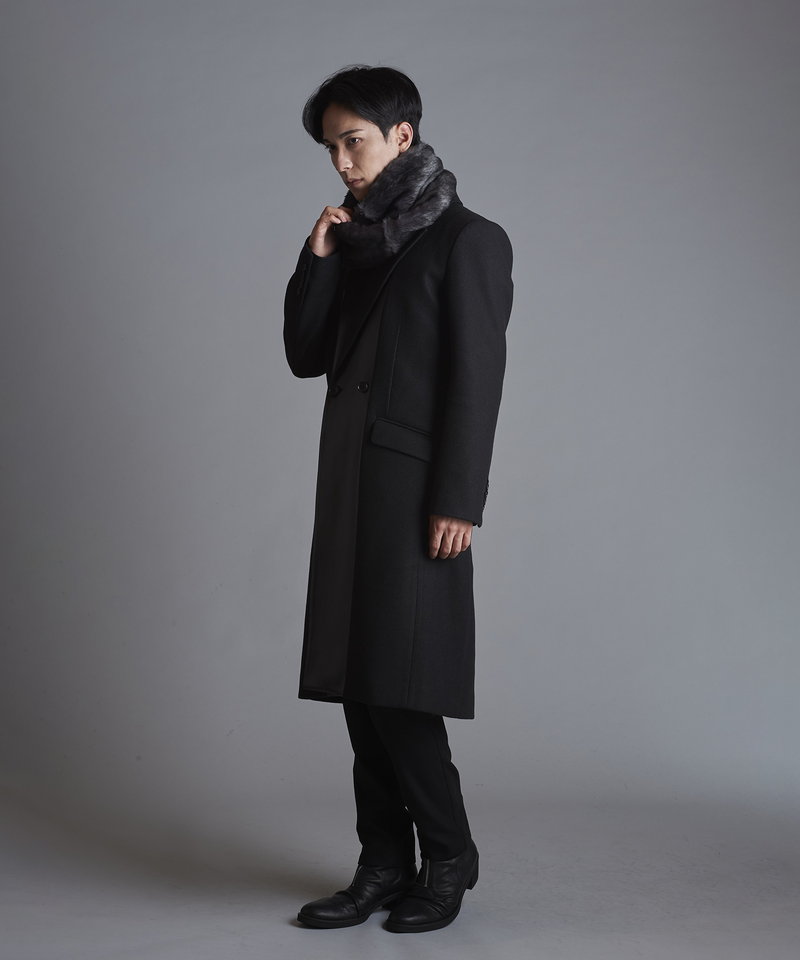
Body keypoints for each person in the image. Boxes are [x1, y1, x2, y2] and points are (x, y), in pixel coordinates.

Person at [283, 64, 513, 934]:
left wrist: (460, 498)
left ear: (402, 135)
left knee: (401, 687)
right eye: (331, 148)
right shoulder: (356, 242)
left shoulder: (468, 240)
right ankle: (382, 862)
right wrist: (318, 258)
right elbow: (305, 356)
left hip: (419, 495)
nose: (343, 162)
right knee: (360, 682)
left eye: (355, 142)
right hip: (351, 486)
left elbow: (476, 381)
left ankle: (448, 857)